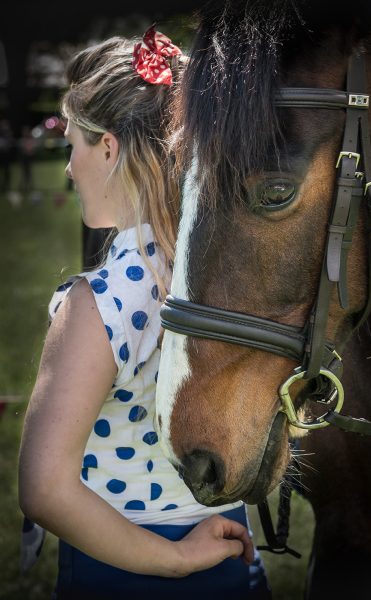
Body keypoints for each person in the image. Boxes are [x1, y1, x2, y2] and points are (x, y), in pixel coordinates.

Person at [18, 27, 270, 600]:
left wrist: (174, 560)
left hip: (126, 570)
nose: (68, 167)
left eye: (74, 145)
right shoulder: (231, 279)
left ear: (108, 148)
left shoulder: (101, 301)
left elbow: (44, 486)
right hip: (233, 551)